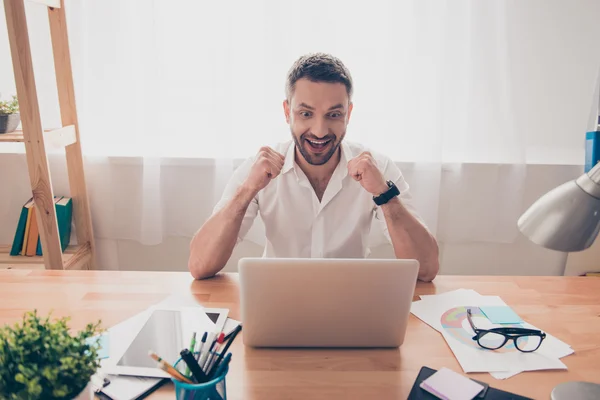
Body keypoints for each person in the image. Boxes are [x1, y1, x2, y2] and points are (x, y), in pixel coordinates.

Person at [189, 53, 439, 281]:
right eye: (306, 114)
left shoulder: (378, 168)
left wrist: (385, 195)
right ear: (288, 112)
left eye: (333, 115)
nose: (319, 131)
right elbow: (200, 266)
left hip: (351, 306)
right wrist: (246, 191)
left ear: (348, 114)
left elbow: (426, 269)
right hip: (277, 303)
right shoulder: (257, 168)